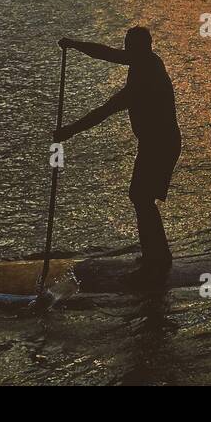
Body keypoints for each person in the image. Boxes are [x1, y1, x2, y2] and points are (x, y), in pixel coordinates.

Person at [56, 27, 181, 279]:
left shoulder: (147, 76)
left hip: (162, 144)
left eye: (130, 47)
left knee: (140, 197)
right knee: (141, 197)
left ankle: (157, 258)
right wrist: (74, 44)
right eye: (126, 46)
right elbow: (106, 53)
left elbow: (106, 109)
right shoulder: (144, 61)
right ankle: (156, 254)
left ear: (142, 48)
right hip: (153, 144)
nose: (125, 52)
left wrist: (71, 130)